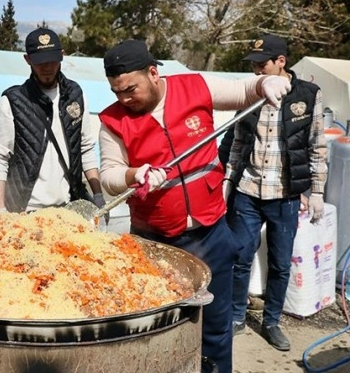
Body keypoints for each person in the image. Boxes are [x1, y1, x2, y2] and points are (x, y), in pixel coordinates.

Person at [98, 39, 291, 373]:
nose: (125, 99)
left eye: (131, 88)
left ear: (154, 73)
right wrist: (134, 174)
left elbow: (244, 90)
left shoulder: (195, 86)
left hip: (211, 235)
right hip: (154, 243)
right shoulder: (113, 122)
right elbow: (108, 176)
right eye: (117, 92)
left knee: (216, 329)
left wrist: (264, 82)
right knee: (157, 329)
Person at [225, 34, 327, 351]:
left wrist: (318, 191)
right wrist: (228, 181)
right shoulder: (251, 92)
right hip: (247, 190)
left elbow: (317, 147)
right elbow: (238, 142)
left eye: (262, 63)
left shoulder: (308, 96)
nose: (257, 70)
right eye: (253, 64)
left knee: (281, 264)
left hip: (285, 195)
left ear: (281, 61)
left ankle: (271, 322)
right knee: (240, 256)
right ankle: (236, 316)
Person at [0, 28, 106, 214]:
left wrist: (98, 194)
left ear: (62, 55)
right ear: (27, 60)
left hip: (69, 208)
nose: (47, 67)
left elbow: (85, 148)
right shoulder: (12, 102)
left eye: (52, 60)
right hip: (25, 210)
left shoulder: (75, 95)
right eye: (40, 62)